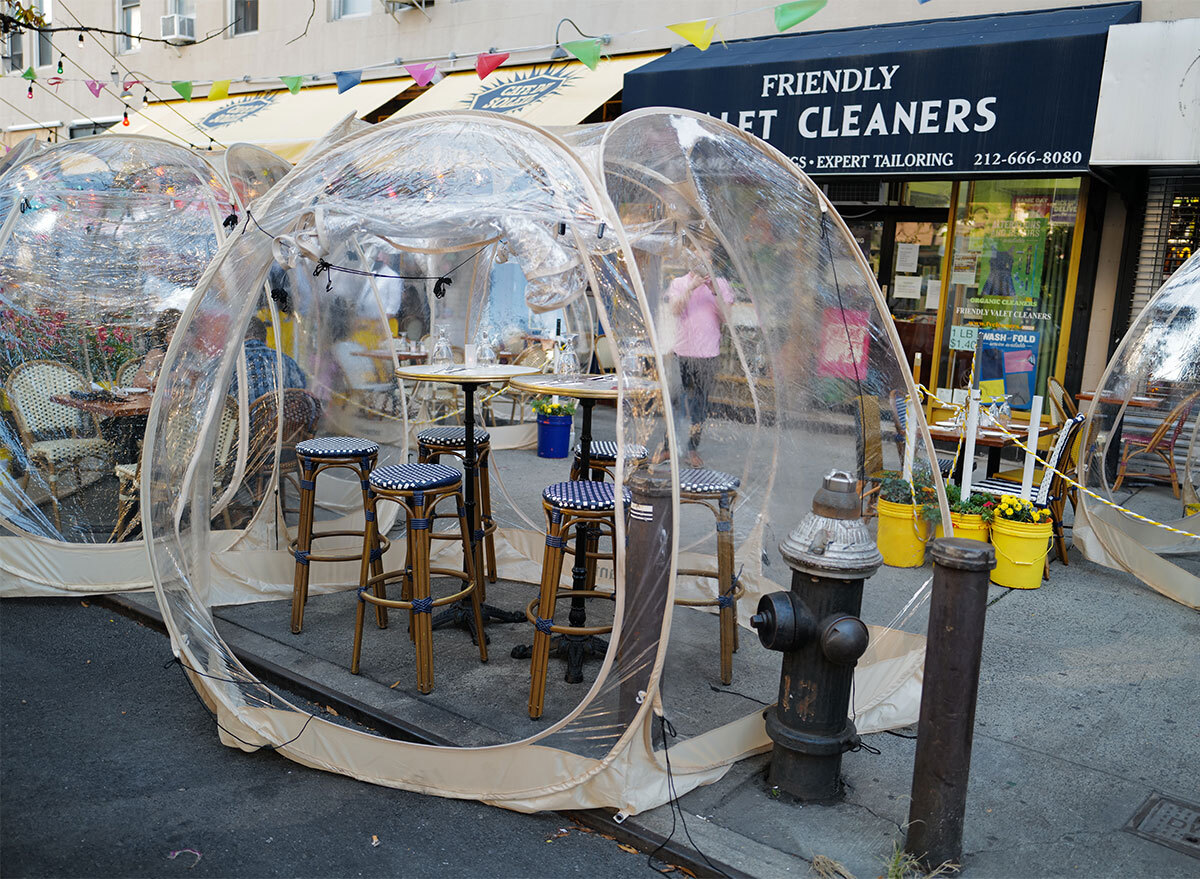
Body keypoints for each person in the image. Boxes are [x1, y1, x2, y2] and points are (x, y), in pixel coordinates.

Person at [665, 268, 734, 468]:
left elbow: (726, 318)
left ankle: (692, 449)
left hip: (708, 354)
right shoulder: (679, 282)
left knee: (700, 406)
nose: (703, 264)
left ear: (711, 260)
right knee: (675, 401)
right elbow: (675, 310)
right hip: (682, 352)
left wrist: (714, 291)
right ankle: (668, 448)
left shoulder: (720, 284)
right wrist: (691, 287)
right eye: (698, 257)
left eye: (707, 258)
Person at [229, 316, 307, 402]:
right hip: (278, 415)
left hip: (240, 415)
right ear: (266, 341)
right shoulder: (287, 362)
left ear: (234, 340)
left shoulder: (226, 364)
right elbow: (302, 396)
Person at [129, 309, 181, 391]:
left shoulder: (190, 355)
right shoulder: (157, 353)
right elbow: (139, 381)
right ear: (164, 336)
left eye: (184, 331)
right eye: (173, 332)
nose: (179, 337)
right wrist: (171, 377)